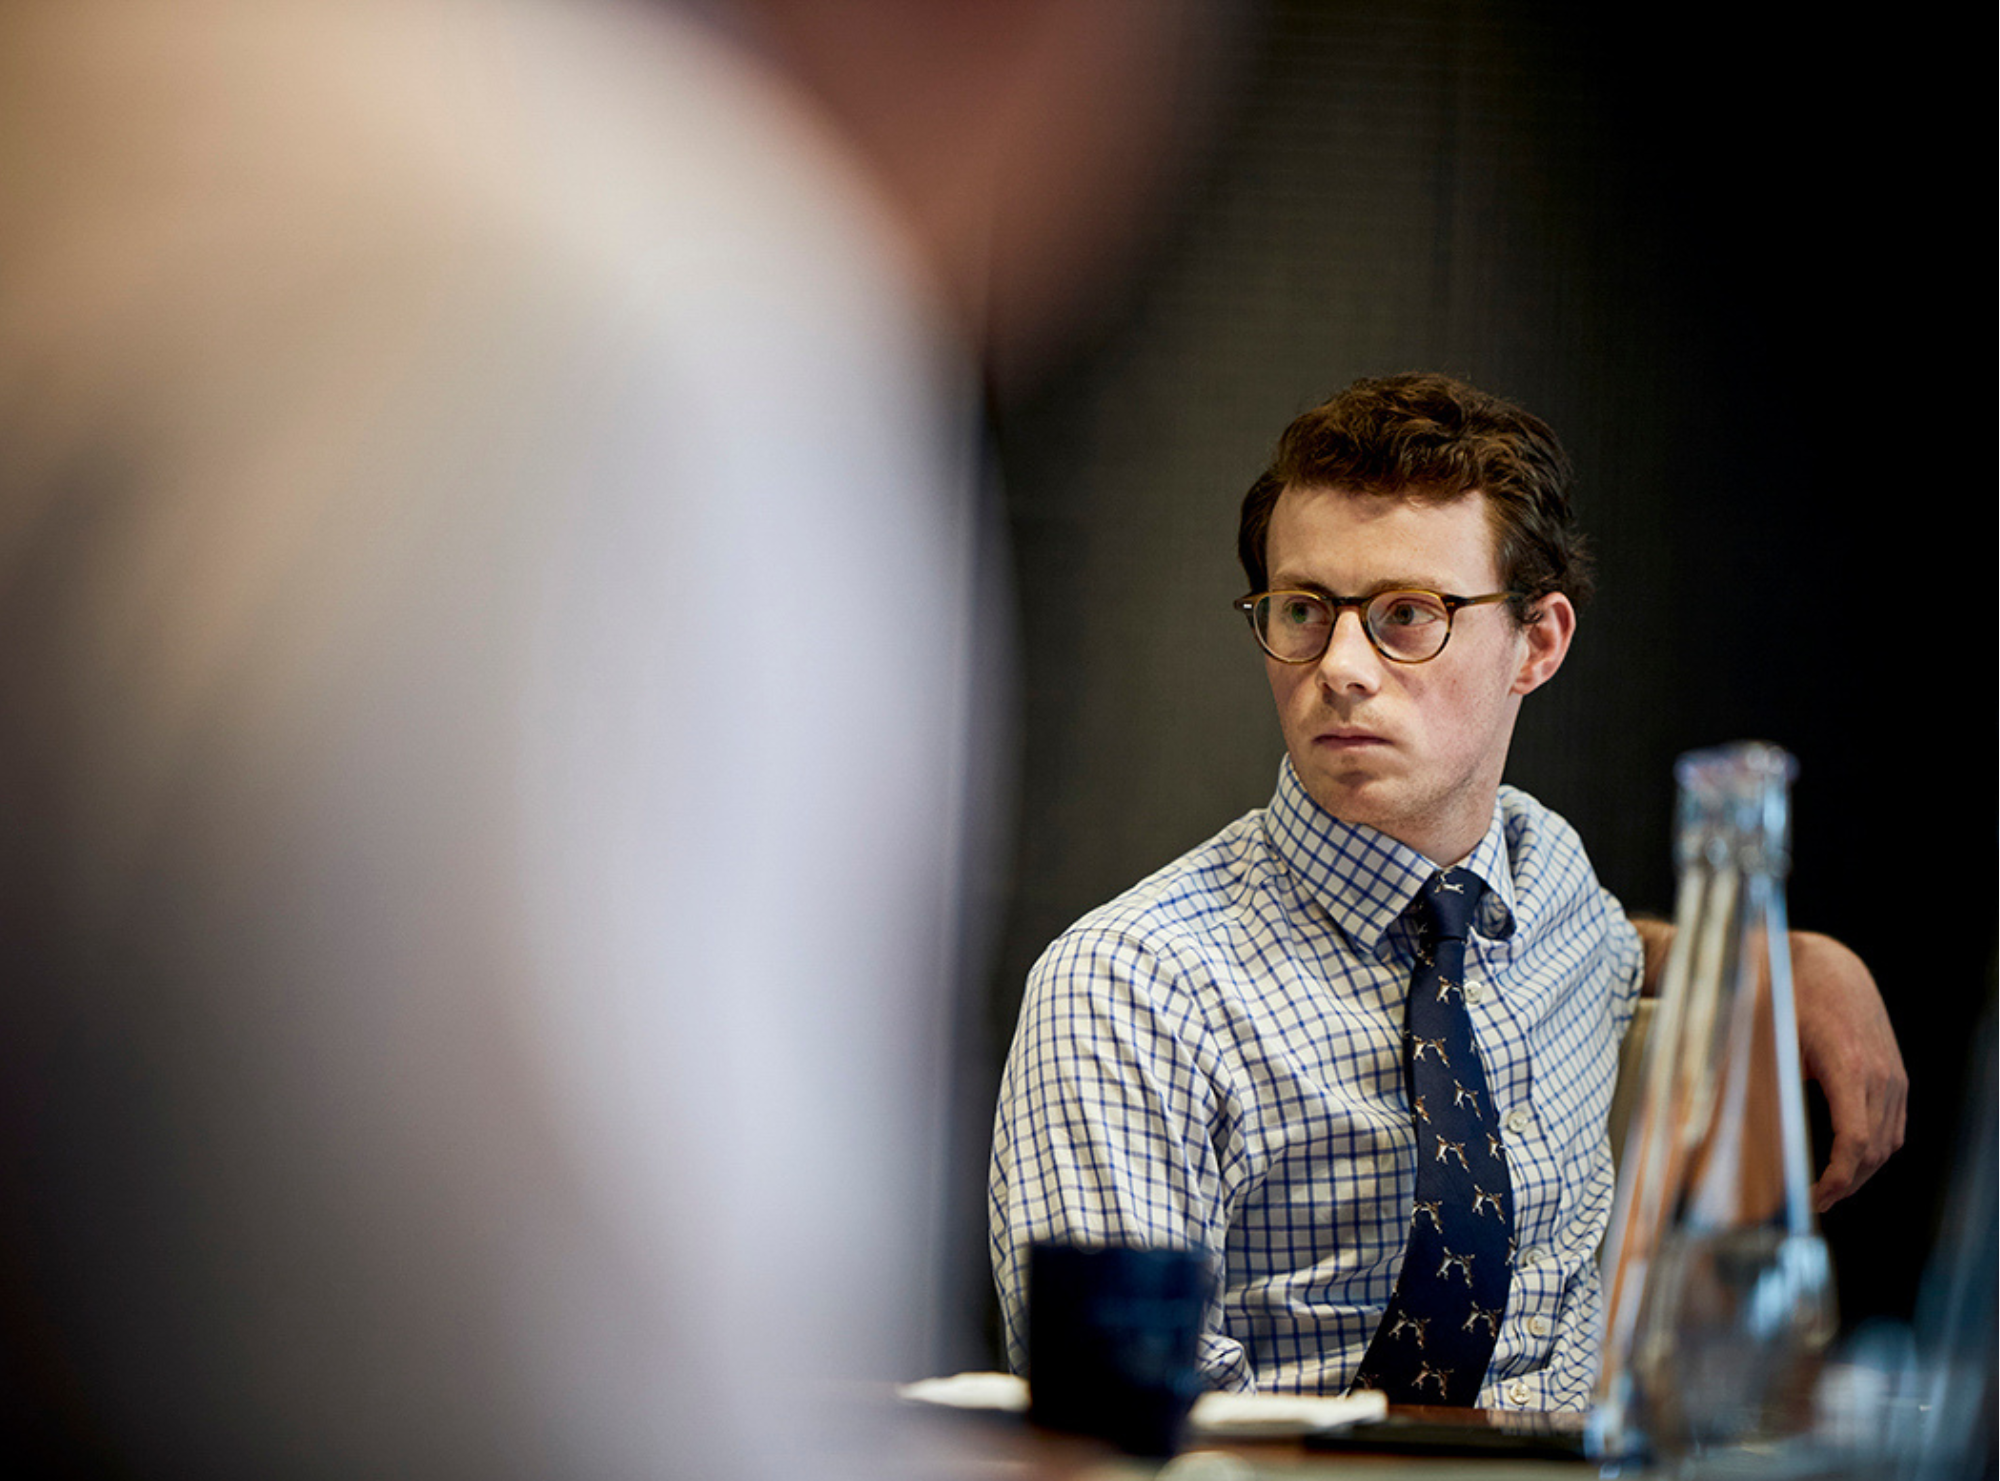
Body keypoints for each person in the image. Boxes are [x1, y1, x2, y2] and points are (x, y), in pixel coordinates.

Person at [988, 372, 1906, 1411]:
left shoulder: (1547, 877)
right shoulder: (1127, 989)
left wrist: (1791, 958)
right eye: (1304, 609)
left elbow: (1621, 946)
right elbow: (1119, 1428)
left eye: (1406, 614)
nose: (1341, 666)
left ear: (1537, 643)